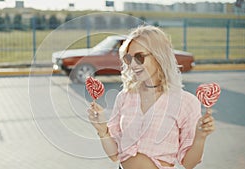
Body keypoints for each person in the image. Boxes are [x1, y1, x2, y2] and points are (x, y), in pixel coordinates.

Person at [87, 25, 215, 169]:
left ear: (158, 55)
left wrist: (200, 137)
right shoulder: (124, 97)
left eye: (139, 57)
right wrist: (102, 129)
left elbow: (189, 163)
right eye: (128, 58)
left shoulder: (186, 102)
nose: (133, 64)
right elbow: (114, 155)